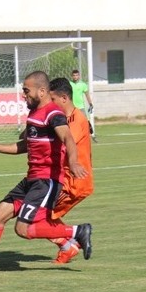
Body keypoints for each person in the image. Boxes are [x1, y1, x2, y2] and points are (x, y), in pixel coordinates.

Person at [0, 71, 92, 275]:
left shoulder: (54, 114)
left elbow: (68, 137)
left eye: (26, 91)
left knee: (23, 229)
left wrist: (74, 162)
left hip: (46, 181)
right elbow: (26, 145)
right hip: (31, 179)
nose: (23, 95)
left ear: (42, 91)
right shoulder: (34, 114)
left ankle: (77, 231)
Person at [48, 77, 94, 264]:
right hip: (65, 179)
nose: (49, 105)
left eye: (52, 100)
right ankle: (71, 244)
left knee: (38, 216)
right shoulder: (63, 119)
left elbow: (66, 144)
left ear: (64, 98)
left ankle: (71, 244)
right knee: (38, 214)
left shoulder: (76, 120)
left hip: (74, 182)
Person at [70, 69, 97, 142]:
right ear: (72, 76)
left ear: (79, 76)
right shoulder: (69, 84)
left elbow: (87, 95)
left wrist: (90, 104)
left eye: (76, 75)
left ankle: (92, 135)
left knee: (86, 121)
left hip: (81, 106)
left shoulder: (83, 84)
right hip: (72, 107)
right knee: (71, 121)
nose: (75, 77)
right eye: (74, 75)